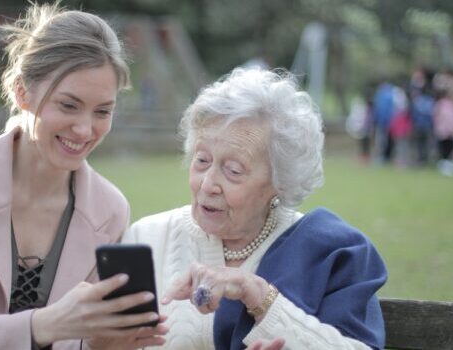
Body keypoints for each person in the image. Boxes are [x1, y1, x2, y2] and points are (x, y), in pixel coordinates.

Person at [0, 4, 167, 349]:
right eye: (68, 105)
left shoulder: (109, 209)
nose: (85, 129)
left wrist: (100, 344)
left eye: (103, 111)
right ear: (21, 92)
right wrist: (47, 323)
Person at [123, 67, 388, 349]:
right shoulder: (147, 238)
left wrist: (261, 297)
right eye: (202, 160)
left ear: (280, 182)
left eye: (233, 170)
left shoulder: (330, 252)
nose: (207, 184)